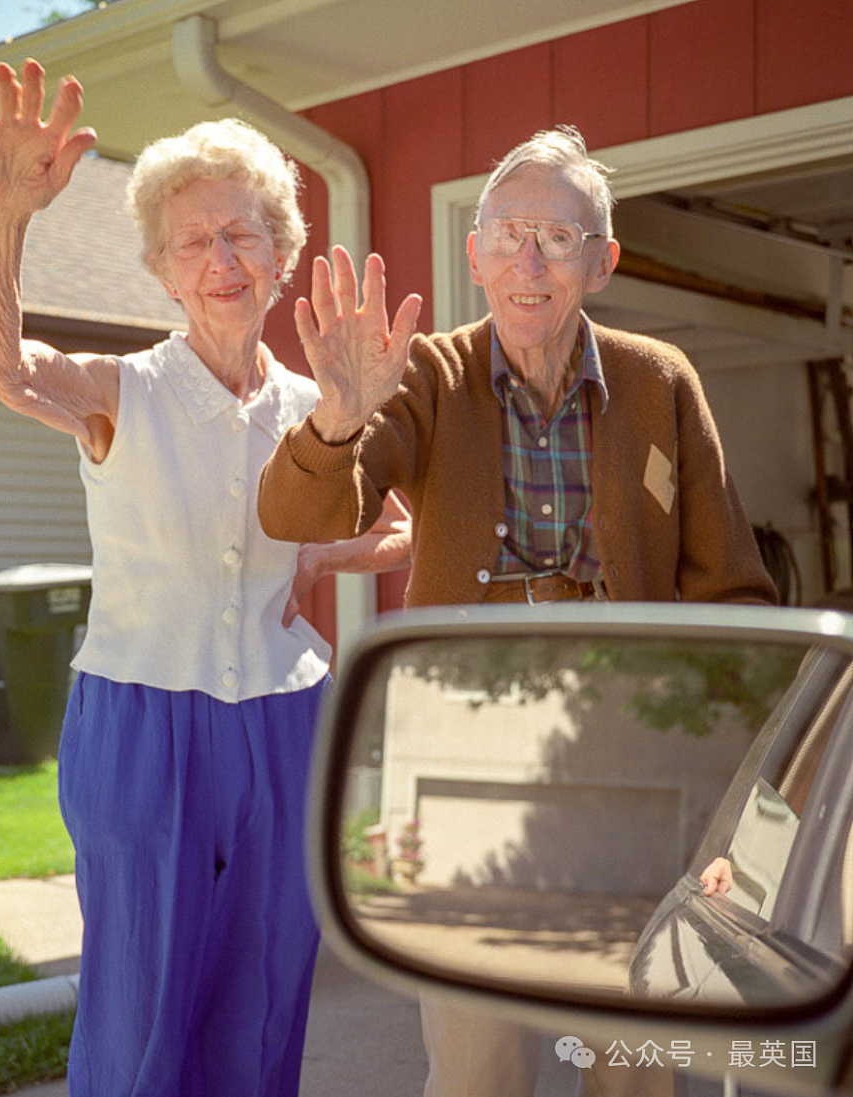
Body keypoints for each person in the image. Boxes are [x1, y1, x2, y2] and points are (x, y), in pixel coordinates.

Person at [257, 125, 777, 1097]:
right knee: (478, 1066)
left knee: (633, 1061)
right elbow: (302, 511)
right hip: (464, 783)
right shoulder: (424, 375)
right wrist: (335, 417)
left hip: (632, 777)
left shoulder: (662, 382)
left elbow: (732, 595)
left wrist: (731, 800)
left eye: (557, 236)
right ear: (473, 253)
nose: (527, 263)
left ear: (604, 260)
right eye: (506, 234)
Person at [0, 59, 410, 1097]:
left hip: (286, 721)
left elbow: (284, 542)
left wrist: (351, 550)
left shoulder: (320, 404)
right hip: (144, 722)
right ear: (162, 268)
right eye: (194, 239)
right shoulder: (123, 389)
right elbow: (2, 365)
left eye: (244, 232)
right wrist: (3, 217)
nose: (222, 257)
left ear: (283, 256)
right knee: (144, 1012)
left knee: (264, 1005)